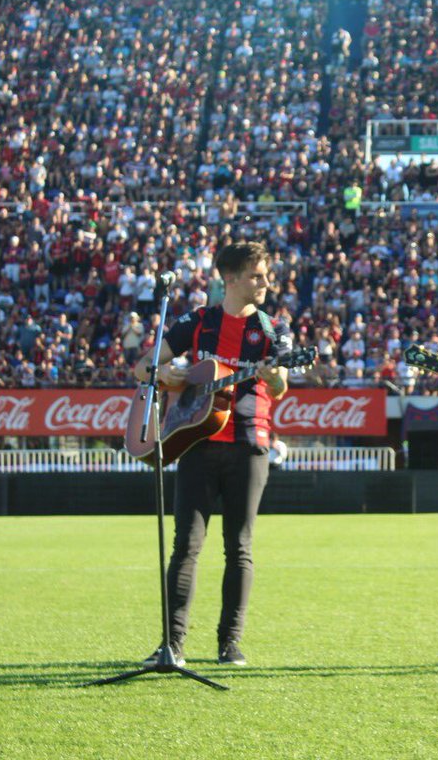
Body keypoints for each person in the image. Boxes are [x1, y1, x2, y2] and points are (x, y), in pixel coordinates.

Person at [135, 242, 291, 669]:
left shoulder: (273, 328)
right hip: (196, 443)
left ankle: (230, 644)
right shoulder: (198, 320)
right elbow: (144, 368)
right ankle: (172, 644)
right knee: (185, 546)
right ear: (232, 279)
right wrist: (165, 374)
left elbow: (280, 388)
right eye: (257, 276)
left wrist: (275, 377)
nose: (265, 283)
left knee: (239, 547)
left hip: (250, 444)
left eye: (265, 276)